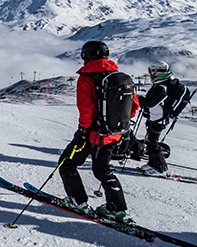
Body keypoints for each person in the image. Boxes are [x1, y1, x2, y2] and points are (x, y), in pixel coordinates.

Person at [55, 41, 139, 222]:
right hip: (114, 134)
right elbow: (134, 106)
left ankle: (77, 202)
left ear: (86, 55)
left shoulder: (87, 77)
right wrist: (116, 125)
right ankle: (117, 209)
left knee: (66, 164)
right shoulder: (121, 77)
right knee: (102, 170)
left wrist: (84, 131)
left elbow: (86, 108)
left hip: (92, 134)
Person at [139, 61, 188, 176]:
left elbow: (151, 103)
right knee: (149, 141)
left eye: (150, 72)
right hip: (155, 118)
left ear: (156, 72)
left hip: (158, 120)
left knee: (153, 143)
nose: (149, 75)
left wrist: (138, 98)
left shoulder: (161, 87)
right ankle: (152, 164)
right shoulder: (161, 84)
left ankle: (160, 168)